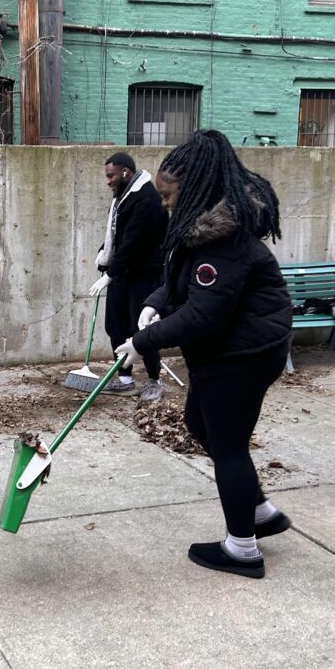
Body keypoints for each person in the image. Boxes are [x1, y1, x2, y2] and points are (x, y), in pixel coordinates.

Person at [116, 129, 293, 579]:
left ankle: (242, 550)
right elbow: (182, 283)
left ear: (194, 190)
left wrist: (141, 344)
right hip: (233, 350)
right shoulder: (203, 229)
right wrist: (156, 301)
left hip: (243, 354)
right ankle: (261, 514)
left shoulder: (223, 239)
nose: (163, 203)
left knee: (229, 446)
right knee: (199, 424)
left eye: (168, 195)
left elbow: (203, 316)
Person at [89, 152, 169, 402]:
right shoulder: (123, 197)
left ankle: (155, 379)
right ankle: (124, 378)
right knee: (116, 325)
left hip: (144, 276)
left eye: (111, 176)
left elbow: (134, 244)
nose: (108, 181)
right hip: (123, 273)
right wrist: (104, 250)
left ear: (125, 172)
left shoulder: (146, 200)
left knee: (142, 328)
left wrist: (109, 275)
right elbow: (118, 231)